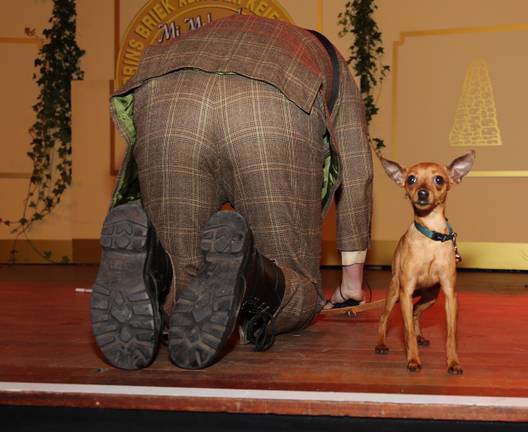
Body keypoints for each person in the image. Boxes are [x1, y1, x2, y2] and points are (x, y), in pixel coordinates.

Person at [90, 14, 372, 370]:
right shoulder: (326, 57)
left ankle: (156, 271)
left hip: (169, 95)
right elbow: (357, 170)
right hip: (271, 101)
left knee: (184, 282)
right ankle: (251, 277)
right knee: (299, 294)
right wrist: (351, 283)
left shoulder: (212, 32)